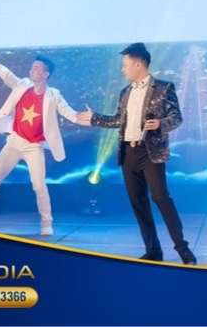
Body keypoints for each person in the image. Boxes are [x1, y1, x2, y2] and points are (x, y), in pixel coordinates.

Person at [77, 43, 197, 265]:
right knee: (138, 202)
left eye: (125, 65)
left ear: (139, 64)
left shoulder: (163, 88)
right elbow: (118, 120)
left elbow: (176, 118)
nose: (123, 69)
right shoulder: (126, 92)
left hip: (150, 152)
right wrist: (94, 118)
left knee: (160, 198)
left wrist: (160, 124)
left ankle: (183, 249)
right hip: (128, 152)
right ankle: (153, 250)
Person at [0, 55, 78, 236]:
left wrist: (93, 119)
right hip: (14, 142)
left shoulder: (54, 95)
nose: (31, 70)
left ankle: (46, 222)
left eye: (36, 68)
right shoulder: (22, 85)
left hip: (34, 147)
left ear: (45, 74)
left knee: (39, 185)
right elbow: (3, 72)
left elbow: (71, 114)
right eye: (32, 67)